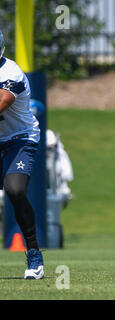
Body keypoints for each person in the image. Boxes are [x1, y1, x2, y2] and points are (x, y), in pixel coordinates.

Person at [0, 30, 44, 279]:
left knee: (15, 190)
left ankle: (34, 255)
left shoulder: (11, 73)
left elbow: (2, 101)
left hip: (20, 139)